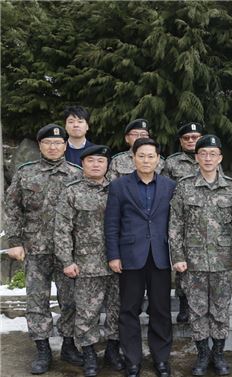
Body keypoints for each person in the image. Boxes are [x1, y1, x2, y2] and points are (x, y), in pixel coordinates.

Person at [4, 124, 83, 374]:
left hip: (67, 252)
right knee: (37, 300)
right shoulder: (25, 174)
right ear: (40, 146)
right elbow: (13, 207)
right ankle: (42, 349)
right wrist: (14, 242)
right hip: (34, 248)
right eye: (48, 142)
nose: (53, 146)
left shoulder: (76, 174)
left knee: (70, 300)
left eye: (58, 143)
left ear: (65, 146)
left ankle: (69, 345)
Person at [169, 135, 232, 376]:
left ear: (220, 158)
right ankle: (203, 354)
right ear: (197, 158)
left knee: (221, 309)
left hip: (224, 262)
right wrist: (177, 257)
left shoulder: (231, 187)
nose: (208, 158)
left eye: (212, 154)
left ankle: (219, 353)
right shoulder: (184, 187)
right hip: (192, 262)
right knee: (197, 310)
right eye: (203, 153)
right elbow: (175, 225)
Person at [104, 138, 176, 377]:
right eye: (141, 155)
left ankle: (161, 359)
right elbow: (112, 224)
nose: (146, 160)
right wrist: (113, 255)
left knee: (161, 310)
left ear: (158, 159)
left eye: (151, 156)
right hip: (129, 257)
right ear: (133, 158)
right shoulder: (119, 186)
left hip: (161, 256)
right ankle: (133, 360)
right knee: (129, 310)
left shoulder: (169, 186)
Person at [54, 145, 125, 377]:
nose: (96, 164)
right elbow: (62, 229)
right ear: (82, 163)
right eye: (91, 160)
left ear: (108, 165)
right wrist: (67, 260)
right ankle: (89, 353)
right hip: (86, 265)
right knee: (87, 312)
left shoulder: (119, 189)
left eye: (101, 161)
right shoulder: (71, 191)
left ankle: (113, 350)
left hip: (119, 262)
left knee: (117, 309)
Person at [162, 121, 205, 324]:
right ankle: (184, 304)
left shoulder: (209, 157)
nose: (191, 141)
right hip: (180, 218)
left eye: (195, 138)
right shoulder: (171, 163)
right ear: (181, 141)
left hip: (205, 219)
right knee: (182, 262)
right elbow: (163, 190)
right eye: (186, 138)